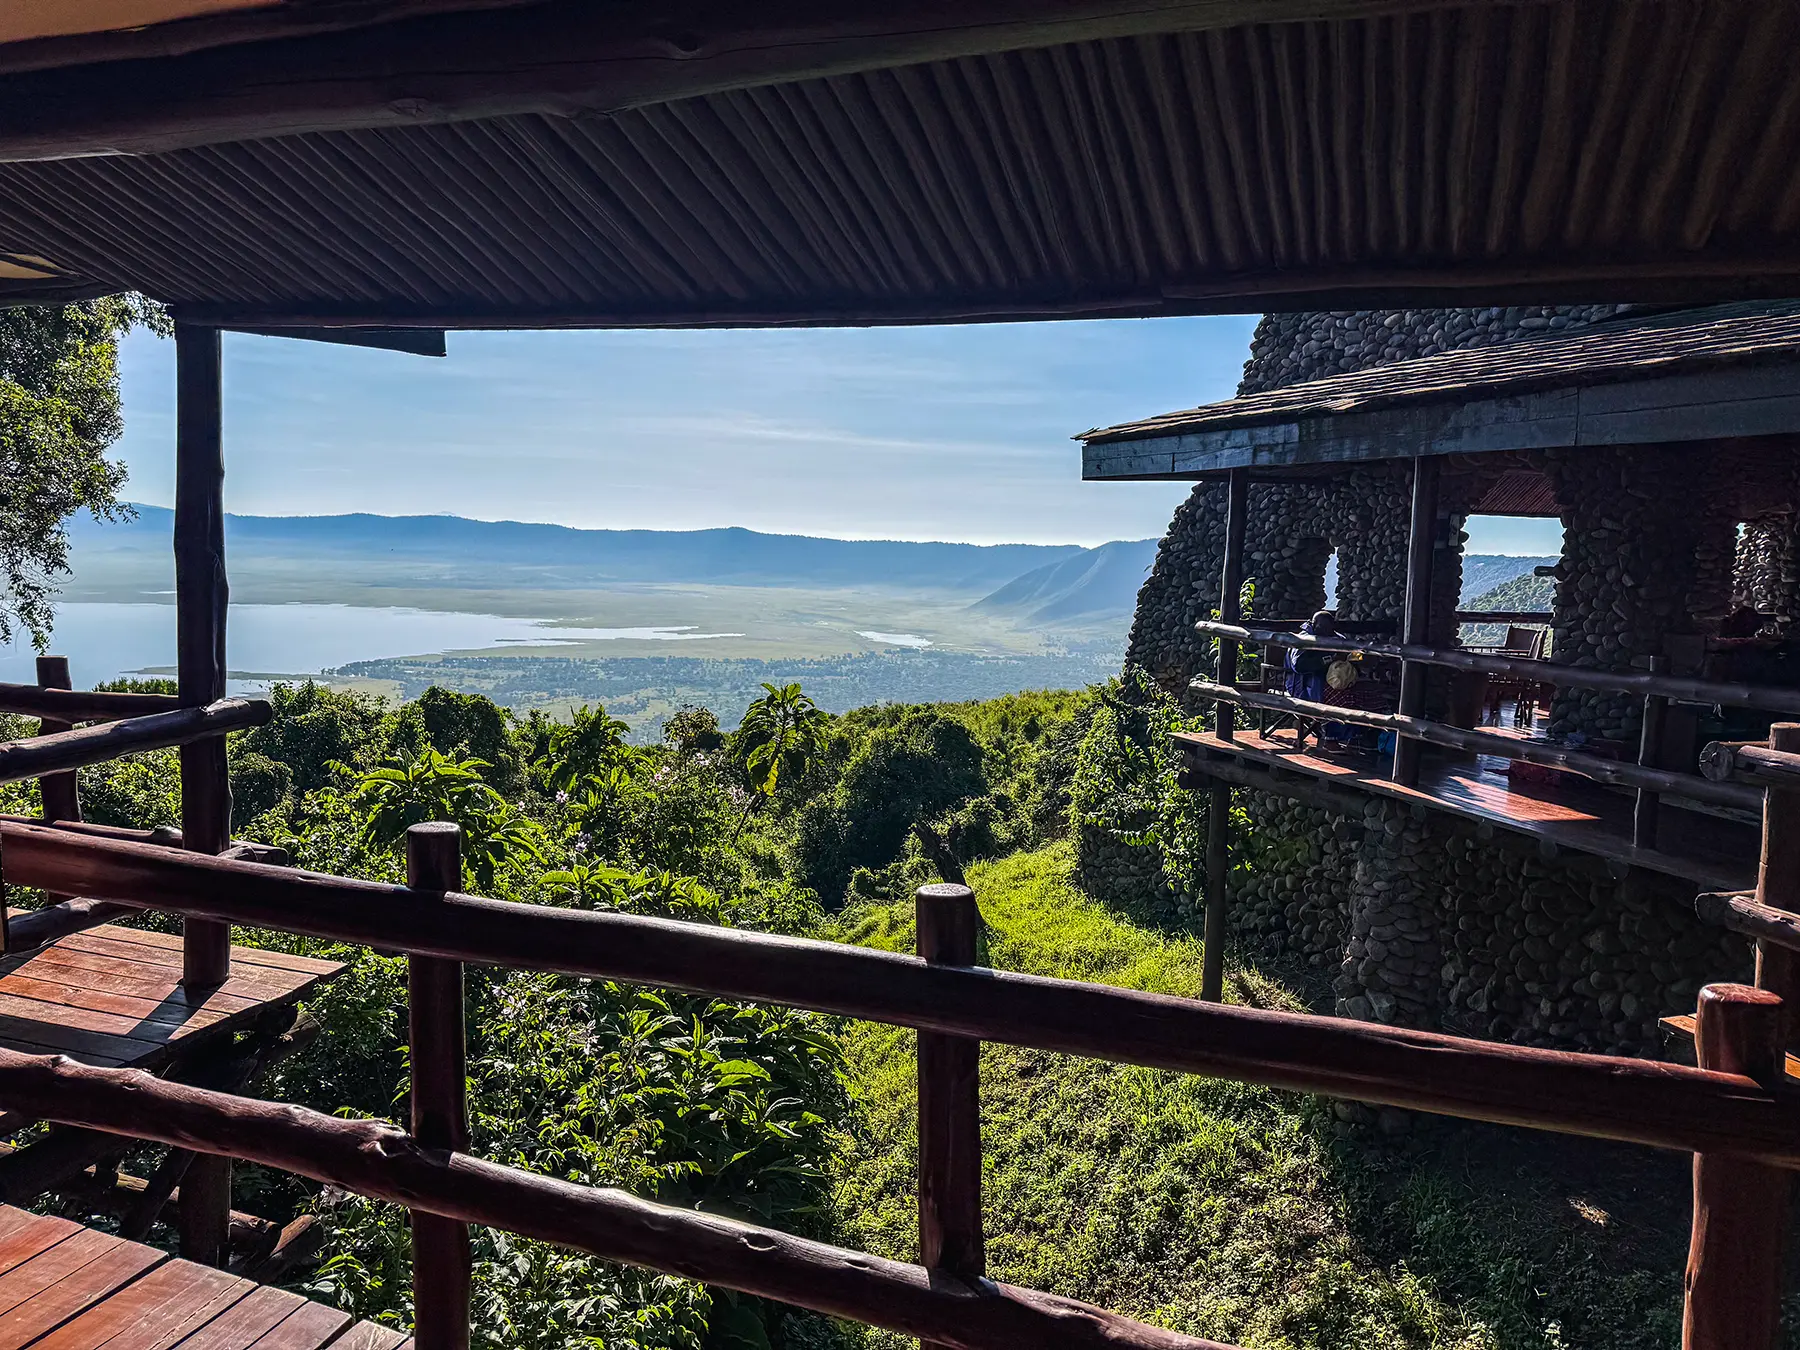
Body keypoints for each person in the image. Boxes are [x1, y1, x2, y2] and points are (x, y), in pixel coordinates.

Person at [1284, 610, 1338, 747]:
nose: (1327, 631)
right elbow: (1299, 666)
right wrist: (1325, 660)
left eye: (1329, 628)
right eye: (1323, 627)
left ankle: (1353, 738)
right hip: (1301, 685)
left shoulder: (1335, 638)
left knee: (1354, 692)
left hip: (1326, 682)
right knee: (1335, 698)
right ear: (1315, 625)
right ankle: (1331, 737)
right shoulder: (1303, 640)